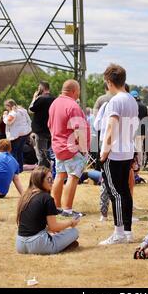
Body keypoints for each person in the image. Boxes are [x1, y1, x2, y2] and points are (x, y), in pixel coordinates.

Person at [98, 64, 139, 245]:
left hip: (114, 152)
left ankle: (119, 232)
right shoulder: (131, 99)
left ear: (108, 82)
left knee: (115, 193)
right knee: (124, 192)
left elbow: (111, 127)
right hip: (126, 150)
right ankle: (127, 232)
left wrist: (104, 151)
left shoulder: (115, 101)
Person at [48, 80, 89, 217]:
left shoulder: (54, 104)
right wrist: (83, 149)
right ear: (74, 91)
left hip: (58, 146)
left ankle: (56, 207)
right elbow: (79, 130)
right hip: (72, 148)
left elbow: (50, 125)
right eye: (78, 91)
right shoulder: (73, 106)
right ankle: (67, 210)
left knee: (60, 175)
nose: (79, 94)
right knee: (73, 176)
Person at [16, 166, 80, 255]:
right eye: (49, 179)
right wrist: (71, 223)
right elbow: (53, 227)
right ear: (39, 180)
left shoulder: (25, 196)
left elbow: (35, 225)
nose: (52, 182)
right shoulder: (47, 198)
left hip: (20, 244)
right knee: (74, 232)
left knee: (55, 234)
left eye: (52, 179)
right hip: (38, 244)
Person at [29, 81, 55, 168]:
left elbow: (31, 109)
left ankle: (42, 174)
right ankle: (49, 171)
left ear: (41, 88)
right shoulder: (54, 99)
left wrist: (34, 97)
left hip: (40, 131)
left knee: (41, 155)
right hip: (51, 130)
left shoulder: (41, 99)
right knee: (47, 153)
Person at [3, 99, 32, 173]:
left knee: (14, 152)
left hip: (16, 135)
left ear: (9, 106)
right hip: (24, 133)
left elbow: (8, 121)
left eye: (6, 107)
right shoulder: (23, 110)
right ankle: (20, 168)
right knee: (19, 152)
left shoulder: (13, 113)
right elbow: (29, 120)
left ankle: (15, 169)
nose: (6, 109)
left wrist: (5, 115)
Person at [131, 90, 148, 169]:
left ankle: (133, 164)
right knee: (139, 148)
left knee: (132, 148)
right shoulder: (144, 106)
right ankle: (140, 164)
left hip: (133, 130)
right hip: (142, 130)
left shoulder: (131, 105)